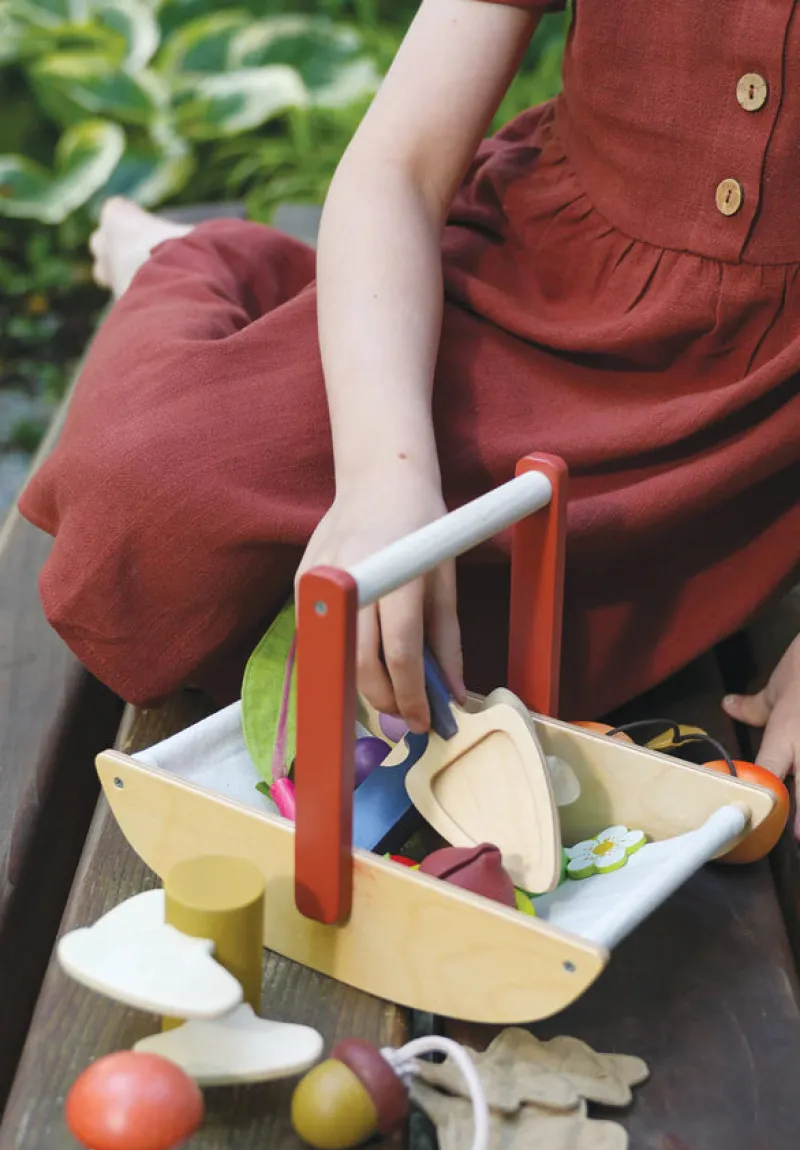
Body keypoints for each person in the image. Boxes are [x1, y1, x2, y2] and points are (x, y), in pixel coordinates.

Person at [17, 0, 800, 832]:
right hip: (522, 297)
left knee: (457, 660)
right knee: (144, 504)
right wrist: (379, 479)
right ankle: (190, 264)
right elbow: (401, 165)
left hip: (752, 433)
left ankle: (304, 307)